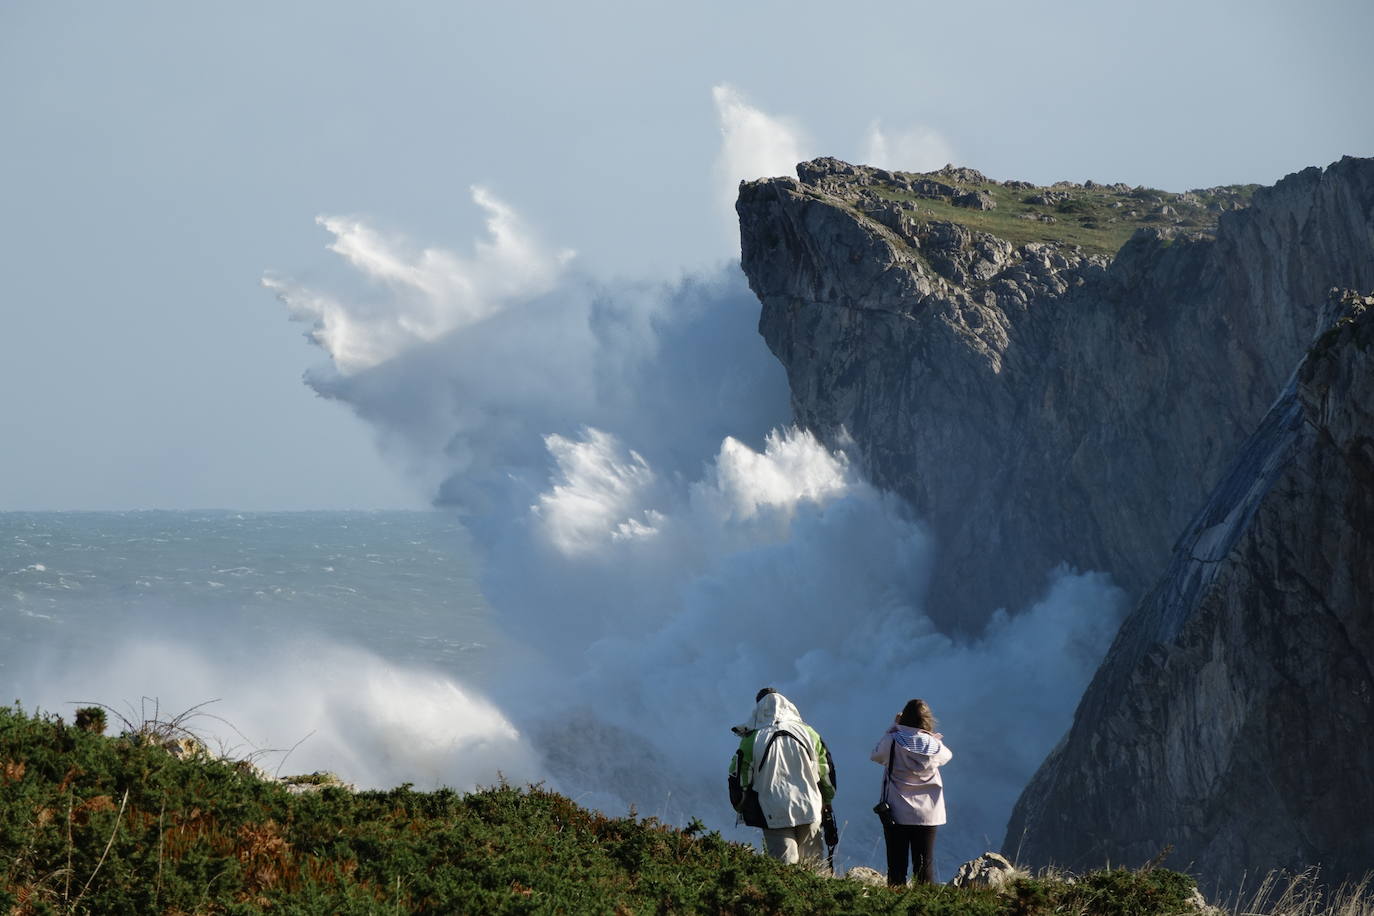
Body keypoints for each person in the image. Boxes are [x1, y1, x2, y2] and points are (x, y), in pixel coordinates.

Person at [728, 687, 837, 868]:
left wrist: (742, 805)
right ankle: (813, 895)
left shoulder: (751, 739)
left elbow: (739, 777)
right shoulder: (810, 733)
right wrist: (827, 800)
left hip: (773, 809)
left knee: (784, 867)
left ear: (758, 708)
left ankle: (786, 895)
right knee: (814, 866)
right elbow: (826, 771)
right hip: (810, 805)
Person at [871, 698, 952, 886]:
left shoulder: (892, 741)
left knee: (897, 866)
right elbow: (947, 756)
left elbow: (875, 755)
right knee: (924, 867)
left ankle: (896, 906)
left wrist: (893, 727)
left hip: (896, 812)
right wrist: (929, 736)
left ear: (904, 718)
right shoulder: (935, 746)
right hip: (928, 814)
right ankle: (924, 907)